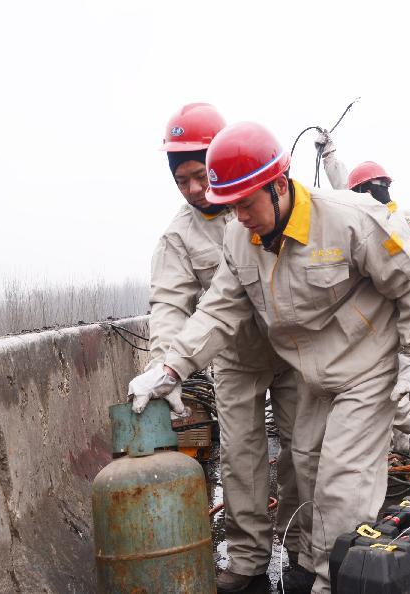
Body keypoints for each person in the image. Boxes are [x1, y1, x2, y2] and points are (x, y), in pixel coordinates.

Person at [129, 121, 410, 594]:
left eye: (247, 204)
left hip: (365, 367)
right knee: (309, 470)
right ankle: (320, 565)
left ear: (278, 186)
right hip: (311, 372)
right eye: (229, 206)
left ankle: (328, 582)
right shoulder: (240, 238)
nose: (240, 217)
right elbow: (216, 311)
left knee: (343, 484)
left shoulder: (350, 218)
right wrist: (171, 367)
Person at [147, 104, 301, 593]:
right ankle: (248, 561)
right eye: (181, 181)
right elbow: (170, 307)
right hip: (234, 357)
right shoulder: (178, 237)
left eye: (199, 176)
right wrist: (163, 367)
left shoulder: (260, 198)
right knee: (242, 457)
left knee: (304, 450)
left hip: (295, 348)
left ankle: (301, 549)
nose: (193, 189)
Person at [316, 132, 410, 458]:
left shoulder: (389, 223)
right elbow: (341, 192)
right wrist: (329, 154)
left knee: (407, 385)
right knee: (393, 392)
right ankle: (399, 450)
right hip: (383, 326)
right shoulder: (372, 216)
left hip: (400, 325)